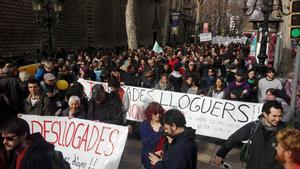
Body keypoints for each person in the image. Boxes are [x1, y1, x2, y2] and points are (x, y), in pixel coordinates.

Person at [214, 100, 286, 169]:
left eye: (279, 116)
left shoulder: (285, 131)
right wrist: (220, 154)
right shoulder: (254, 127)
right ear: (265, 114)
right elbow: (234, 138)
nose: (278, 119)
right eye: (274, 116)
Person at [140, 102, 165, 169]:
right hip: (147, 160)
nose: (158, 115)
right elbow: (146, 142)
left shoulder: (165, 125)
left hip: (161, 161)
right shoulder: (145, 125)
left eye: (160, 113)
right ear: (150, 113)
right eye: (155, 113)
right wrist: (158, 132)